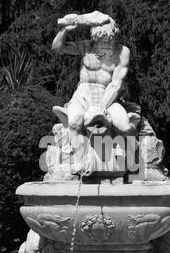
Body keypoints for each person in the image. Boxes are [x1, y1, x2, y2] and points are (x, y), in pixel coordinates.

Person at [51, 12, 139, 168]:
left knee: (125, 127)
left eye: (107, 43)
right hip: (83, 95)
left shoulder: (122, 52)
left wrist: (100, 109)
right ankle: (81, 163)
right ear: (94, 39)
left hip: (108, 96)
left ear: (113, 38)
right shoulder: (86, 47)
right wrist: (64, 29)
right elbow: (57, 48)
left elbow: (116, 84)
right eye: (99, 42)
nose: (103, 47)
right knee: (75, 123)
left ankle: (132, 151)